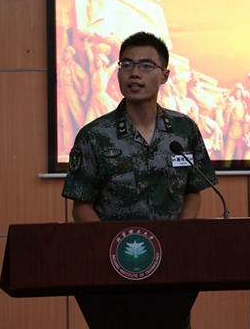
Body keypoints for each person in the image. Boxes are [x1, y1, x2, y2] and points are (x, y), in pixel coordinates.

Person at [62, 31, 218, 329]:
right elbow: (81, 206)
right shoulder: (94, 135)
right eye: (126, 64)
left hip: (171, 270)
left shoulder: (184, 131)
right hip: (112, 272)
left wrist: (178, 241)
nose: (135, 73)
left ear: (165, 75)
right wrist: (112, 249)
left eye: (146, 65)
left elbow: (193, 191)